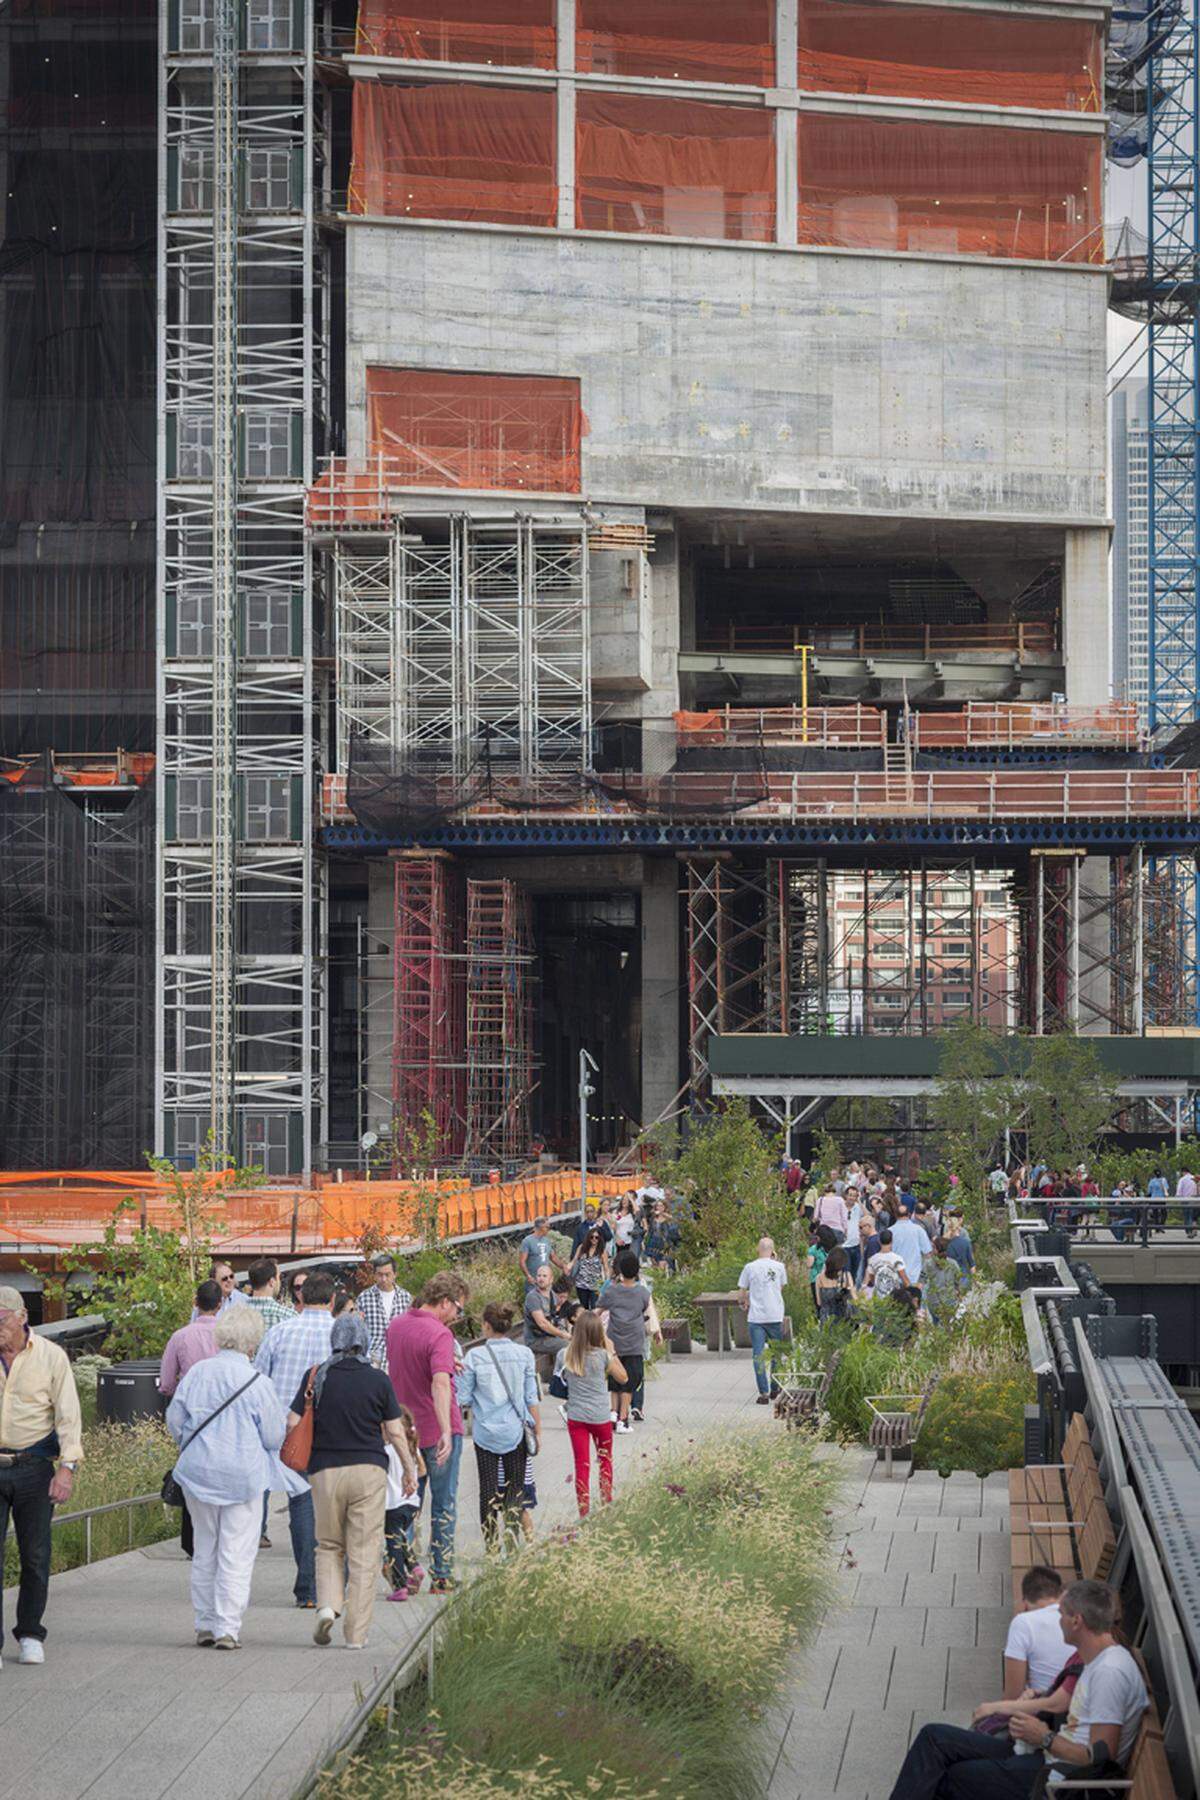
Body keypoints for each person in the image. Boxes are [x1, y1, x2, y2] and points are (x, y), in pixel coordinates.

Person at [886, 1578, 1147, 1798]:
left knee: (952, 1779)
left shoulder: (1109, 1674)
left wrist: (1044, 1737)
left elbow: (1101, 1758)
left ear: (1076, 1621)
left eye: (1061, 1615)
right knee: (935, 1738)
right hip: (1048, 1758)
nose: (1058, 1622)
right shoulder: (1099, 1660)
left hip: (1060, 1780)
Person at [165, 1305, 285, 1649]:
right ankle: (227, 1627)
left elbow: (175, 1419)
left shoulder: (198, 1374)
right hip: (242, 1476)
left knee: (205, 1547)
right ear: (252, 1344)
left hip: (198, 1472)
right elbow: (274, 1437)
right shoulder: (258, 1383)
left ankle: (204, 1622)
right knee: (236, 1551)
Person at [295, 1311, 414, 1650]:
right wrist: (407, 1468)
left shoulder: (316, 1377)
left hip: (324, 1471)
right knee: (364, 1554)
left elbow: (292, 1421)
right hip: (368, 1471)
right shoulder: (378, 1380)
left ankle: (328, 1608)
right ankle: (355, 1636)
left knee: (329, 1545)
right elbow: (394, 1430)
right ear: (365, 1341)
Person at [0, 1285, 84, 1667]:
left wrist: (67, 1468)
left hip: (33, 1466)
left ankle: (30, 1632)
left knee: (35, 1555)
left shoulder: (50, 1357)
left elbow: (69, 1416)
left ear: (22, 1317)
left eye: (2, 1319)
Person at [255, 1270, 338, 1600]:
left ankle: (306, 1586)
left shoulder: (280, 1332)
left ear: (301, 1298)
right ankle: (329, 1582)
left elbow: (259, 1379)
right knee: (330, 1505)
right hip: (334, 1431)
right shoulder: (340, 1333)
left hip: (290, 1430)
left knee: (301, 1502)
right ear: (332, 1300)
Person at [386, 1269, 469, 1595]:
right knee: (444, 1504)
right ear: (445, 1303)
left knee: (406, 1502)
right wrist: (447, 1430)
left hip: (404, 1430)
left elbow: (409, 1366)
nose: (458, 1316)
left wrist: (448, 1365)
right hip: (436, 1431)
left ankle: (404, 1570)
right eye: (459, 1309)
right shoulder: (439, 1334)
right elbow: (437, 1381)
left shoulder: (397, 1326)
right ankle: (442, 1573)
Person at [456, 1302, 540, 1551]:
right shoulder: (524, 1354)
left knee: (488, 1490)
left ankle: (491, 1547)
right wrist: (537, 1430)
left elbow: (464, 1398)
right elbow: (531, 1396)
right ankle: (512, 1541)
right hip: (515, 1430)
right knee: (515, 1489)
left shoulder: (474, 1356)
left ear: (487, 1326)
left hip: (485, 1433)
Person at [159, 1279, 224, 1559]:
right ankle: (219, 1537)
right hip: (223, 1415)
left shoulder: (180, 1336)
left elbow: (165, 1383)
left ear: (196, 1303)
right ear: (221, 1304)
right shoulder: (227, 1337)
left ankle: (192, 1542)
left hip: (191, 1417)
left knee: (191, 1475)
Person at [563, 1308, 625, 1517]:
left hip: (576, 1417)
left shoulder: (567, 1354)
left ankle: (583, 1511)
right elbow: (623, 1378)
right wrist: (611, 1350)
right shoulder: (603, 1356)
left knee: (582, 1464)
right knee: (605, 1459)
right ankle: (606, 1503)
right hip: (600, 1417)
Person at [598, 1249, 654, 1432]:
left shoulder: (611, 1291)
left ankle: (613, 1413)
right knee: (629, 1382)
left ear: (620, 1270)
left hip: (615, 1342)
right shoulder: (643, 1293)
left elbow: (599, 1310)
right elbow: (647, 1311)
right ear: (637, 1271)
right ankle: (623, 1419)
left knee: (615, 1380)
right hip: (634, 1343)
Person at [1003, 1567, 1071, 1699]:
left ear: (1024, 1603)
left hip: (1043, 1708)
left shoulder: (1023, 1622)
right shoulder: (1073, 1616)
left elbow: (1012, 1695)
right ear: (1059, 1594)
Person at [737, 1236, 789, 1405]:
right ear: (773, 1250)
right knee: (776, 1353)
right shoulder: (780, 1267)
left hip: (756, 1317)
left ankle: (763, 1393)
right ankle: (775, 1387)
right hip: (775, 1314)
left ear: (758, 1249)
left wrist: (743, 1302)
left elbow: (742, 1290)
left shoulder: (749, 1267)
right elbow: (780, 1287)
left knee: (758, 1355)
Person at [382, 1405, 425, 1602]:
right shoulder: (412, 1447)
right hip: (411, 1502)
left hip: (392, 1504)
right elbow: (423, 1471)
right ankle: (414, 1566)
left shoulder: (388, 1451)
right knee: (401, 1538)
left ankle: (400, 1586)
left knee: (393, 1546)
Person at [357, 1253, 413, 1368]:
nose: (383, 1279)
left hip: (399, 1360)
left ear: (395, 1274)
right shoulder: (364, 1298)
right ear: (374, 1275)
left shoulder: (406, 1297)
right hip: (372, 1361)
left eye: (387, 1275)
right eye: (379, 1275)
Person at [523, 1263, 572, 1379]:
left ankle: (561, 1377)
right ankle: (559, 1379)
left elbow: (556, 1317)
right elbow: (542, 1323)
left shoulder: (552, 1295)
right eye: (539, 1276)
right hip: (536, 1339)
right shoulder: (533, 1297)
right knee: (569, 1345)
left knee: (575, 1342)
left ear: (551, 1279)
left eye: (544, 1276)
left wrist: (566, 1331)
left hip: (548, 1337)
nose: (541, 1278)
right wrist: (562, 1334)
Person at [923, 1237, 967, 1325]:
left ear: (936, 1249)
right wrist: (960, 1294)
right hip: (950, 1300)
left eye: (933, 1247)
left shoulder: (928, 1264)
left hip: (933, 1301)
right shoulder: (952, 1263)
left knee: (936, 1324)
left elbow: (922, 1279)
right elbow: (958, 1282)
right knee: (948, 1325)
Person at [569, 1226, 610, 1310]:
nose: (594, 1239)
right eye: (592, 1237)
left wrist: (607, 1282)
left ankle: (594, 1323)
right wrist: (567, 1267)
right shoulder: (582, 1247)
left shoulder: (602, 1251)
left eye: (596, 1237)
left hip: (596, 1284)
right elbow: (574, 1260)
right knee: (584, 1308)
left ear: (600, 1238)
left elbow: (606, 1268)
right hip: (581, 1283)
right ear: (588, 1237)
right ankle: (586, 1323)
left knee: (595, 1307)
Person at [245, 1259, 292, 1333]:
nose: (279, 1282)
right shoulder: (288, 1316)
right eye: (279, 1277)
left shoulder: (234, 1315)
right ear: (272, 1282)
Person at [519, 1217, 565, 1290]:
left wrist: (563, 1267)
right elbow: (522, 1261)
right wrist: (528, 1276)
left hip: (546, 1282)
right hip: (533, 1282)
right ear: (541, 1227)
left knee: (547, 1300)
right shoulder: (527, 1241)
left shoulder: (546, 1240)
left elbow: (553, 1257)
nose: (549, 1229)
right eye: (547, 1227)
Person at [890, 1206, 930, 1286]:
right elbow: (927, 1253)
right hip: (915, 1276)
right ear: (909, 1214)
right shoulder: (919, 1230)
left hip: (896, 1276)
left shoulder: (890, 1231)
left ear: (896, 1215)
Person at [815, 1245, 856, 1323]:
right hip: (843, 1319)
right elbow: (854, 1298)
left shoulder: (819, 1278)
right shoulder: (846, 1276)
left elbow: (819, 1302)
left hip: (826, 1319)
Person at [865, 1229, 909, 1298]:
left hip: (878, 1298)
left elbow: (872, 1278)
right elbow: (904, 1279)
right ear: (892, 1241)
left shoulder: (872, 1259)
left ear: (879, 1241)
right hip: (894, 1298)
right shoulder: (897, 1259)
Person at [944, 1210, 976, 1277]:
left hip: (949, 1277)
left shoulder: (944, 1244)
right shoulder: (966, 1242)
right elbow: (972, 1264)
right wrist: (974, 1280)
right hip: (963, 1276)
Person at [1176, 1167, 1197, 1236]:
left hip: (1185, 1199)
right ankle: (1191, 1230)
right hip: (1193, 1199)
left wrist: (1178, 1198)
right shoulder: (1194, 1178)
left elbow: (1179, 1191)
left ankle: (1188, 1231)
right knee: (1191, 1215)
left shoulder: (1182, 1179)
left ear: (1183, 1172)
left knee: (1186, 1216)